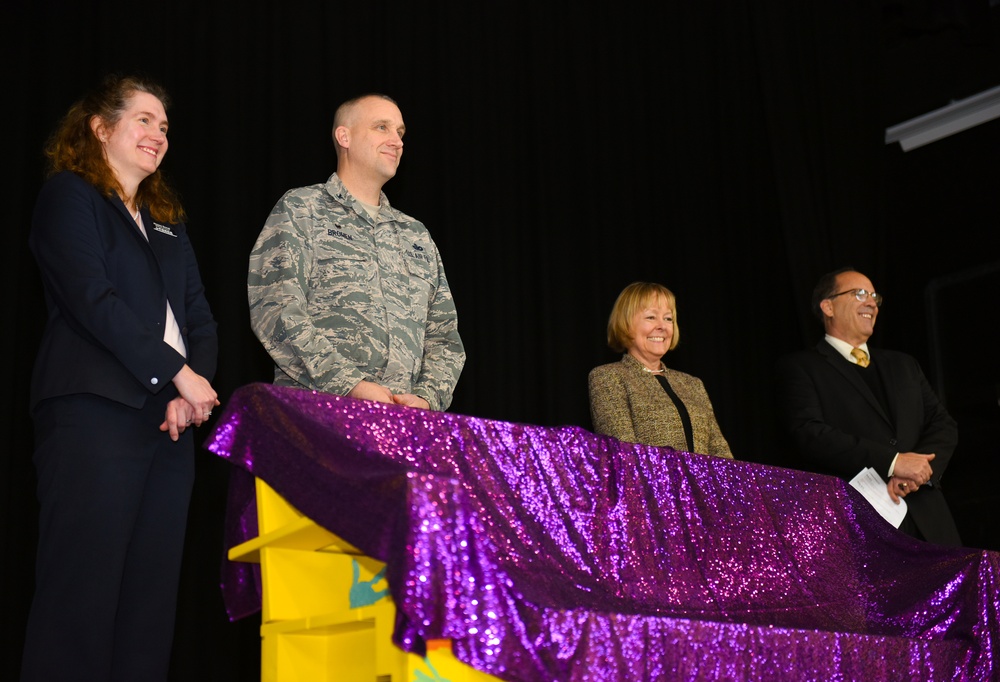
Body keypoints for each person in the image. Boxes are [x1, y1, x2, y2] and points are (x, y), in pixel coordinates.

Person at [22, 74, 219, 681]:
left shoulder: (167, 221)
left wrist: (191, 394)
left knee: (149, 604)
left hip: (167, 425)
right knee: (82, 594)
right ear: (100, 127)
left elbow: (200, 320)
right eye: (143, 119)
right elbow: (92, 299)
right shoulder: (69, 195)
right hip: (93, 414)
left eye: (164, 126)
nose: (158, 134)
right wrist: (177, 376)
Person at [248, 93, 464, 411]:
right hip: (321, 415)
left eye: (400, 132)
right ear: (344, 136)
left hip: (403, 428)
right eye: (382, 127)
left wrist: (426, 399)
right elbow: (277, 312)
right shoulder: (302, 209)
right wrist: (350, 385)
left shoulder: (415, 235)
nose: (396, 141)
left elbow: (444, 337)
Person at [775, 267, 961, 546]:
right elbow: (810, 434)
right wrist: (894, 462)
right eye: (860, 293)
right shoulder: (802, 367)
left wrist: (916, 473)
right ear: (828, 307)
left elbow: (943, 424)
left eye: (874, 296)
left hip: (926, 516)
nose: (872, 302)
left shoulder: (903, 364)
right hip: (857, 521)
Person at [588, 282, 733, 459]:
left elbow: (721, 453)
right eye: (651, 317)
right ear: (625, 323)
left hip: (702, 487)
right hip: (649, 486)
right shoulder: (609, 377)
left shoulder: (692, 384)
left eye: (668, 318)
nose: (662, 326)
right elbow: (624, 454)